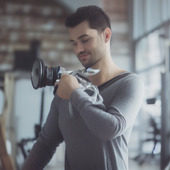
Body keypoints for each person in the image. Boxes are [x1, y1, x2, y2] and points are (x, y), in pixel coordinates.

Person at [22, 5, 144, 170]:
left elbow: (111, 128)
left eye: (85, 40)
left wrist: (75, 94)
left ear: (106, 35)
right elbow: (46, 142)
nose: (79, 49)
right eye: (74, 43)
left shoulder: (130, 83)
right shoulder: (69, 84)